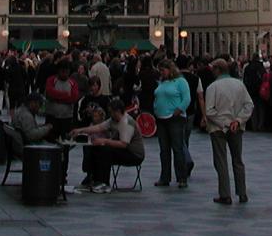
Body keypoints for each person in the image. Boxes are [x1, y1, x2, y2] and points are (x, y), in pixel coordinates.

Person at [203, 57, 254, 205]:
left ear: (218, 70)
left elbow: (210, 111)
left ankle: (225, 194)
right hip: (236, 127)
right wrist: (237, 121)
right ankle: (242, 192)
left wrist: (225, 123)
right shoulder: (239, 85)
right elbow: (249, 105)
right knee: (238, 160)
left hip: (218, 128)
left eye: (213, 68)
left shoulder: (213, 87)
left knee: (221, 161)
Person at [72, 97, 144, 194]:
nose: (109, 114)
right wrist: (80, 130)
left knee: (106, 150)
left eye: (111, 112)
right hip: (123, 150)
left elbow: (123, 144)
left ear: (117, 111)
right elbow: (99, 127)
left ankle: (104, 183)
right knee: (94, 148)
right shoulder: (113, 120)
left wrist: (104, 141)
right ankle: (92, 178)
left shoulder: (127, 122)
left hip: (134, 154)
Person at [153, 59, 193, 188]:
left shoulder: (180, 82)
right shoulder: (162, 82)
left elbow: (187, 98)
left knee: (177, 148)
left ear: (170, 70)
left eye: (163, 70)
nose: (161, 72)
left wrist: (179, 109)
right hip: (161, 119)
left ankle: (181, 177)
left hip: (175, 118)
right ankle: (164, 177)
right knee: (164, 150)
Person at [44, 59, 81, 139]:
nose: (65, 74)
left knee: (65, 142)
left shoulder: (73, 83)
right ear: (58, 71)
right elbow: (50, 94)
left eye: (67, 72)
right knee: (50, 139)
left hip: (66, 118)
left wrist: (56, 98)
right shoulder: (51, 80)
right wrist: (66, 95)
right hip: (52, 116)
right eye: (62, 71)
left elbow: (74, 98)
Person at [242, 56, 265, 131]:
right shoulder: (261, 67)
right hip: (260, 90)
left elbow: (245, 80)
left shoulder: (248, 68)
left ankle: (254, 125)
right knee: (260, 108)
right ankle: (260, 125)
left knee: (253, 108)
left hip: (251, 90)